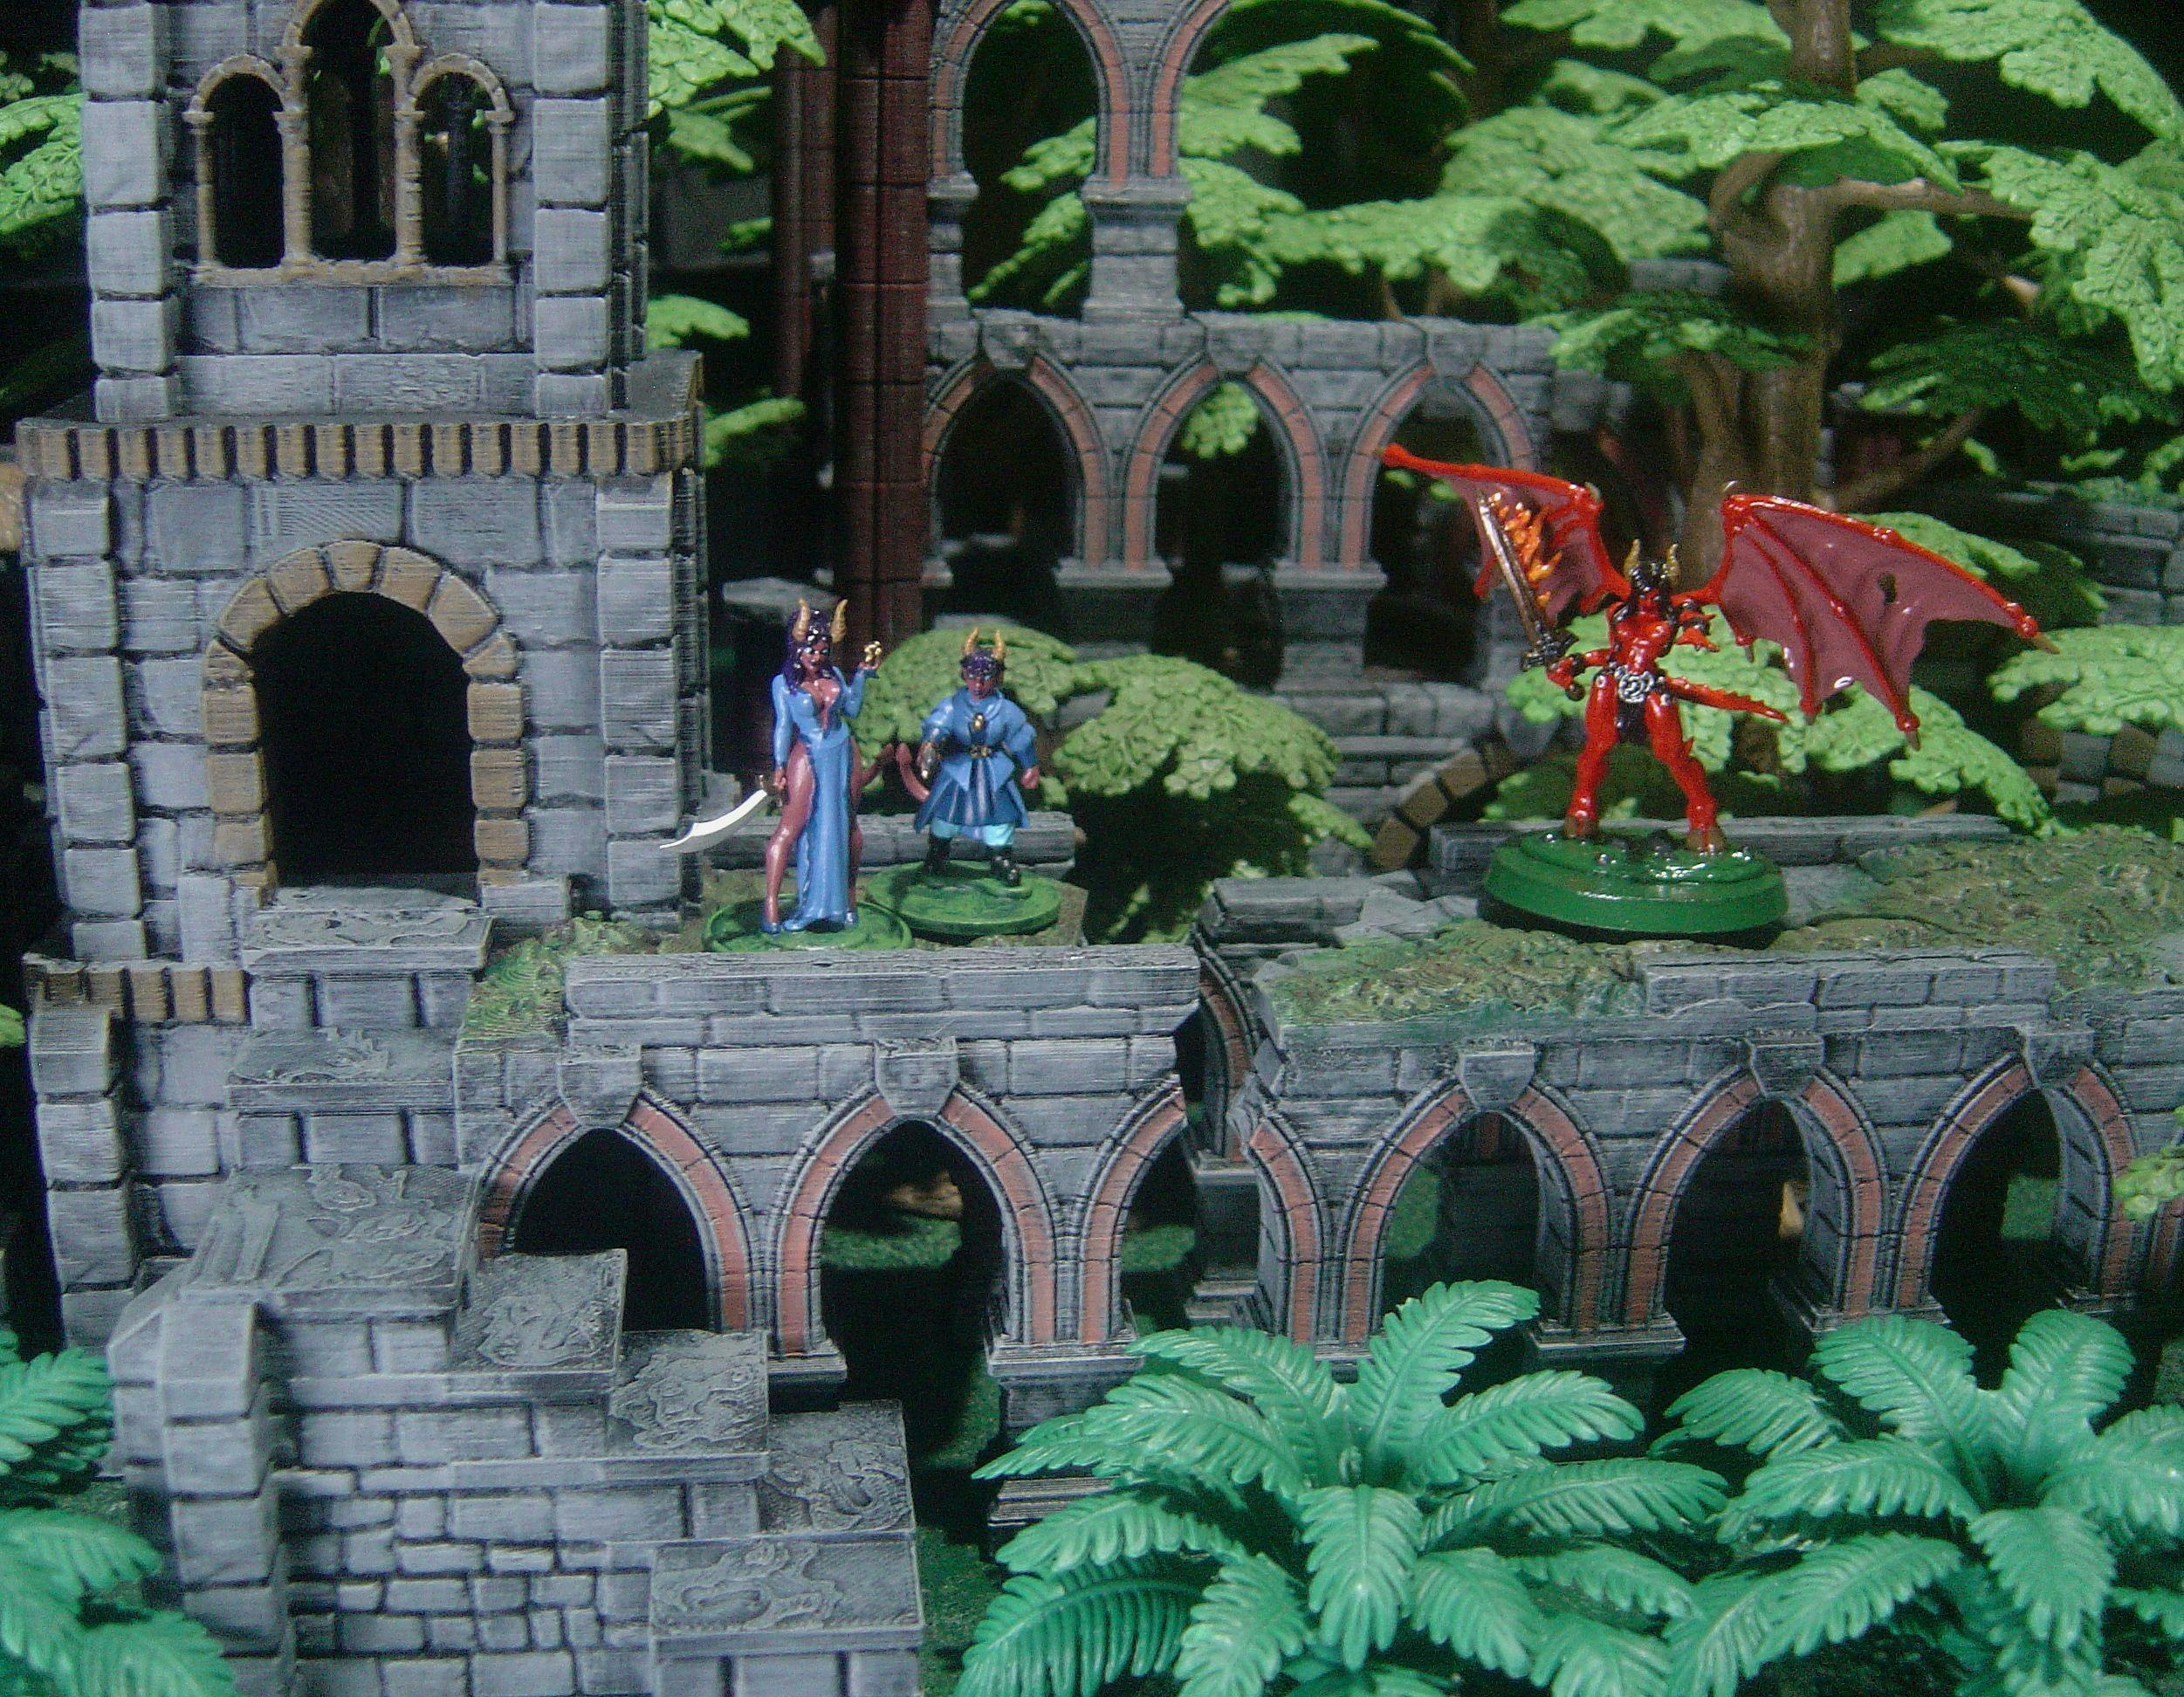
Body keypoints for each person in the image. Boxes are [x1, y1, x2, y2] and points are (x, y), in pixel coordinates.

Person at [762, 600, 882, 932]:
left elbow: (852, 710)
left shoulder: (835, 675)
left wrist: (862, 676)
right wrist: (779, 765)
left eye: (823, 651)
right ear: (796, 648)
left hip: (843, 752)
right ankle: (772, 906)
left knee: (848, 825)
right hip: (809, 755)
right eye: (810, 650)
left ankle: (847, 902)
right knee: (790, 828)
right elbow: (783, 726)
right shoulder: (783, 684)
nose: (816, 658)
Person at [911, 629, 1040, 886]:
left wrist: (1030, 765)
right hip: (959, 770)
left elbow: (1020, 737)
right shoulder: (953, 704)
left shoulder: (1006, 710)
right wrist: (931, 743)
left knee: (1000, 815)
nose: (978, 684)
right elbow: (938, 723)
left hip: (994, 772)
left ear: (998, 678)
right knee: (945, 813)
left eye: (985, 678)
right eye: (972, 677)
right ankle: (938, 852)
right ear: (964, 675)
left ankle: (1000, 858)